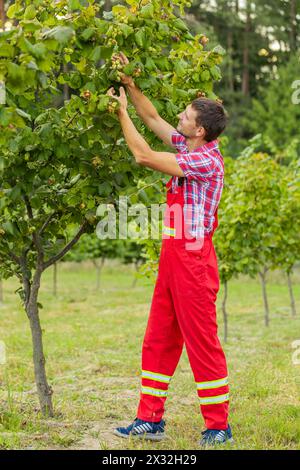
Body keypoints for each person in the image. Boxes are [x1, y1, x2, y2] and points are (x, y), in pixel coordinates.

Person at [106, 52, 233, 447]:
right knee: (158, 337)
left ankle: (218, 426)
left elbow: (143, 155)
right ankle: (149, 419)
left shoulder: (205, 161)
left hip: (194, 260)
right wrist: (130, 86)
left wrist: (120, 115)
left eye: (185, 116)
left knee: (201, 341)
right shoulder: (192, 144)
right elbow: (154, 120)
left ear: (199, 131)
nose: (178, 117)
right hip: (173, 256)